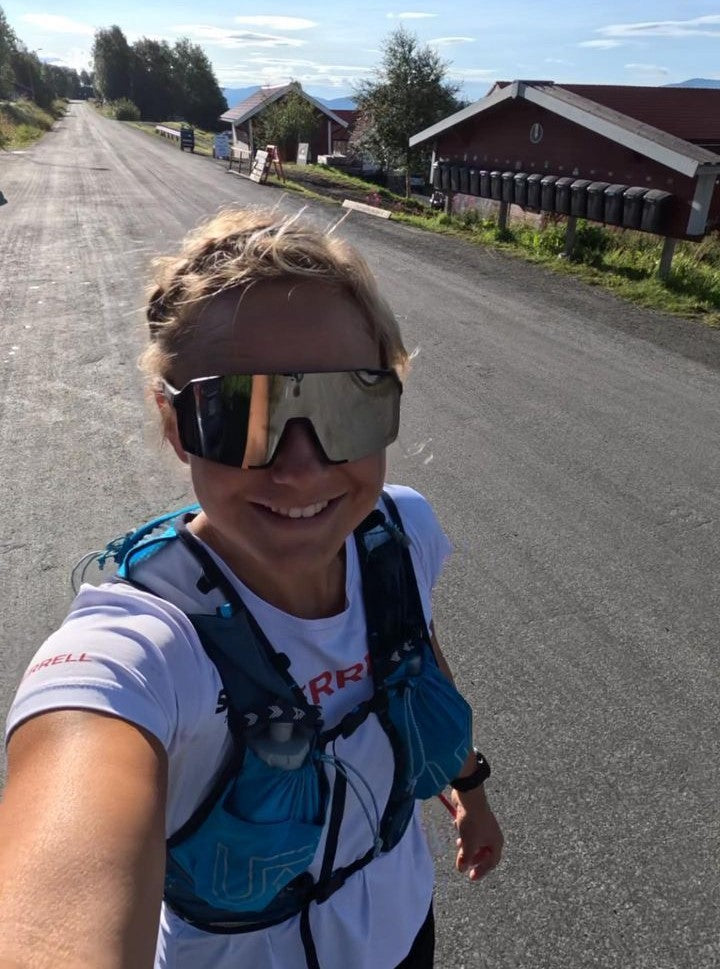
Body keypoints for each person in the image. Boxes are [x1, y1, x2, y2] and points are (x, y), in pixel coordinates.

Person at [0, 207, 503, 969]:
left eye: (347, 402)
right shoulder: (138, 654)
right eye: (240, 411)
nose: (301, 467)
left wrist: (469, 782)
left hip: (404, 932)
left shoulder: (399, 532)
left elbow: (416, 651)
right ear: (175, 424)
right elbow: (57, 885)